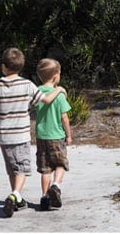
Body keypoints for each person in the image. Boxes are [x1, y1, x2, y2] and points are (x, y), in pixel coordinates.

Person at [0, 48, 66, 218]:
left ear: (3, 67)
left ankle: (17, 199)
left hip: (3, 135)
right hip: (21, 134)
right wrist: (59, 89)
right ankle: (15, 194)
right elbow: (46, 100)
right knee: (21, 168)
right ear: (20, 67)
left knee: (12, 168)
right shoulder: (27, 84)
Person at [35, 58, 72, 211]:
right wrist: (69, 135)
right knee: (60, 164)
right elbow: (64, 117)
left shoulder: (37, 92)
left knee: (45, 169)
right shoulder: (59, 95)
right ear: (56, 76)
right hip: (56, 135)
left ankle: (44, 196)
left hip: (41, 136)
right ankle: (56, 186)